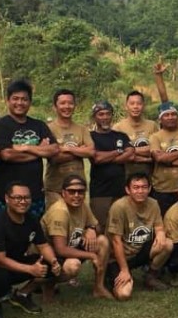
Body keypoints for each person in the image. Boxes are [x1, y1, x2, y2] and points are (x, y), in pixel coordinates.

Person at [0, 181, 62, 316]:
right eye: (18, 198)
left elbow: (43, 245)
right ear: (7, 199)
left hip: (18, 261)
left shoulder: (31, 219)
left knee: (50, 264)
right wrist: (30, 269)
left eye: (26, 198)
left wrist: (54, 261)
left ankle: (22, 294)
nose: (23, 202)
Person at [0, 79, 58, 218]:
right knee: (8, 229)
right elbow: (7, 155)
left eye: (24, 99)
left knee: (34, 229)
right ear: (7, 100)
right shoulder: (0, 126)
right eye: (15, 99)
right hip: (8, 196)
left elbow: (54, 149)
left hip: (35, 195)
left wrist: (25, 147)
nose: (20, 103)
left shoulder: (39, 125)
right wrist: (39, 151)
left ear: (30, 102)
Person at [43, 174, 111, 299]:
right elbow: (60, 249)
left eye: (80, 192)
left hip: (71, 245)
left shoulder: (82, 205)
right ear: (63, 193)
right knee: (73, 266)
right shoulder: (60, 211)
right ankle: (48, 283)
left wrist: (91, 229)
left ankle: (99, 287)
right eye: (72, 192)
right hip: (50, 256)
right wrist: (91, 255)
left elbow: (98, 228)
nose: (76, 195)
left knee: (102, 241)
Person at [106, 172, 174, 297]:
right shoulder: (119, 207)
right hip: (118, 257)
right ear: (128, 190)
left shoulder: (153, 203)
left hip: (139, 251)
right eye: (136, 187)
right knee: (123, 294)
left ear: (149, 189)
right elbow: (116, 241)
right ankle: (112, 275)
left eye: (144, 187)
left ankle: (151, 276)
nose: (140, 191)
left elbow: (159, 226)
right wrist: (124, 270)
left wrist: (160, 233)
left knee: (167, 244)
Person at [88, 100, 135, 230]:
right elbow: (96, 158)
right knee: (101, 227)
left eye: (108, 114)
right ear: (95, 117)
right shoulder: (90, 137)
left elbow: (131, 153)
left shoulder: (120, 135)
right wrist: (118, 152)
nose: (105, 117)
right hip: (100, 192)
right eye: (101, 114)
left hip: (120, 190)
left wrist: (106, 157)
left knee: (121, 227)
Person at [44, 89, 93, 207]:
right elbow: (54, 158)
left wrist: (67, 149)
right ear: (54, 107)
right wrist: (80, 150)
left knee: (77, 219)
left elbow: (91, 151)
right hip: (55, 189)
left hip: (78, 189)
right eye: (62, 103)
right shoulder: (48, 129)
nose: (67, 106)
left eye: (70, 103)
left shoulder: (82, 129)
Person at [114, 90, 158, 179]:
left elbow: (156, 150)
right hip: (125, 176)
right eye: (132, 103)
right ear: (126, 106)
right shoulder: (118, 128)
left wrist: (129, 151)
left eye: (139, 104)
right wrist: (146, 158)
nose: (135, 107)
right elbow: (117, 154)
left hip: (149, 176)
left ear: (143, 106)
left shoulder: (152, 125)